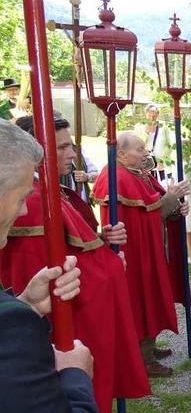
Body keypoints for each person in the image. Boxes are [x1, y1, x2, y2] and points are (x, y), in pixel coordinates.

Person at [2, 116, 150, 412]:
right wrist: (110, 264)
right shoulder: (37, 203)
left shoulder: (52, 193)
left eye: (71, 145)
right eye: (62, 147)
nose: (72, 153)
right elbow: (43, 263)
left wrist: (26, 304)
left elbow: (73, 245)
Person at [0, 118, 97, 412]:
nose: (24, 209)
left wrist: (26, 304)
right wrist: (75, 376)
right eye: (21, 197)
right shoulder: (11, 329)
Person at [93, 132, 191, 377]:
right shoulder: (117, 177)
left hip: (148, 248)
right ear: (122, 154)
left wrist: (176, 208)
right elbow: (144, 217)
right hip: (134, 253)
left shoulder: (136, 173)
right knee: (140, 298)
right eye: (139, 149)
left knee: (151, 295)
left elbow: (153, 206)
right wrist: (171, 198)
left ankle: (148, 347)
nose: (145, 153)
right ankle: (141, 358)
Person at [136, 104, 173, 183]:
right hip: (147, 164)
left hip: (162, 164)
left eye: (154, 116)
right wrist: (146, 133)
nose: (152, 118)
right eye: (149, 116)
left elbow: (169, 145)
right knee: (148, 185)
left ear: (158, 114)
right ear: (146, 114)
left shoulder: (163, 126)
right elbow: (138, 145)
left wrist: (162, 161)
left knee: (163, 185)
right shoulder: (140, 126)